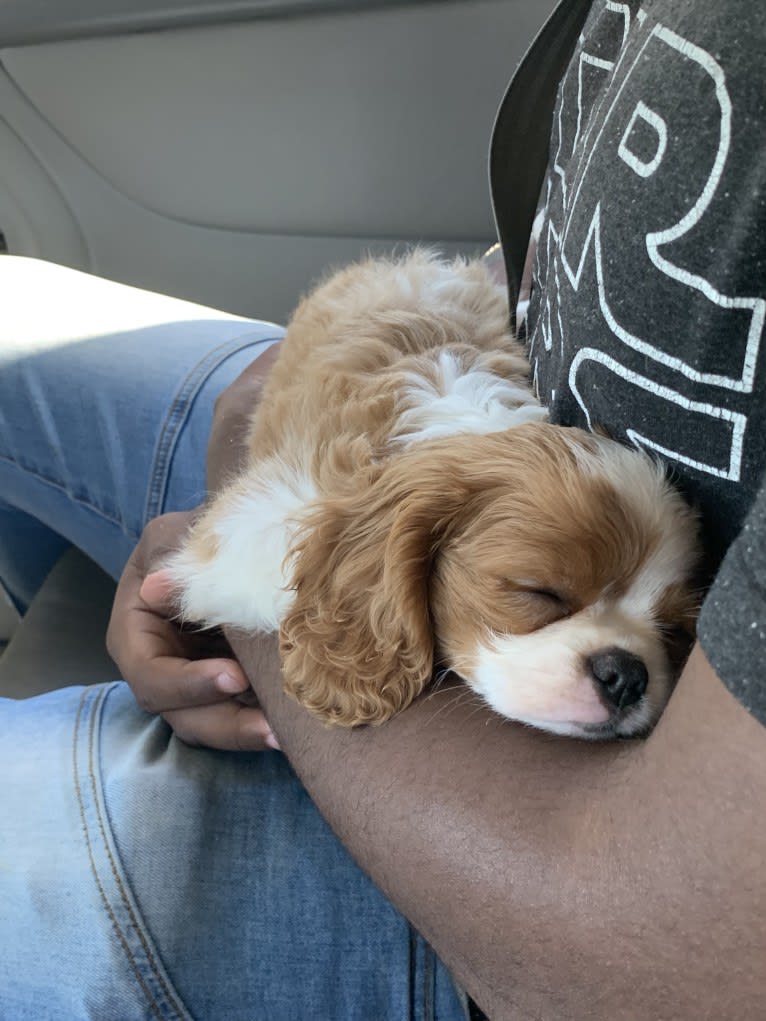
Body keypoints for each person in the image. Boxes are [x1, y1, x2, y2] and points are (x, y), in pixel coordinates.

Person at [1, 0, 764, 1018]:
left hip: (531, 881)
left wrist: (244, 553)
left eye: (539, 597)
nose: (630, 654)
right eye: (540, 594)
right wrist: (321, 373)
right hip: (454, 439)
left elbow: (648, 965)